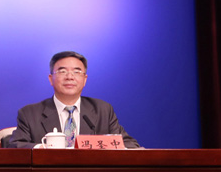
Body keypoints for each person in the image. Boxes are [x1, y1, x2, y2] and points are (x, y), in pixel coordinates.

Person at [8, 51, 141, 148]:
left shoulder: (103, 110)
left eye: (77, 72)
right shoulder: (30, 113)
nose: (70, 77)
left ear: (85, 80)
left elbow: (130, 144)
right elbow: (15, 146)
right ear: (50, 79)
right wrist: (44, 148)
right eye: (62, 71)